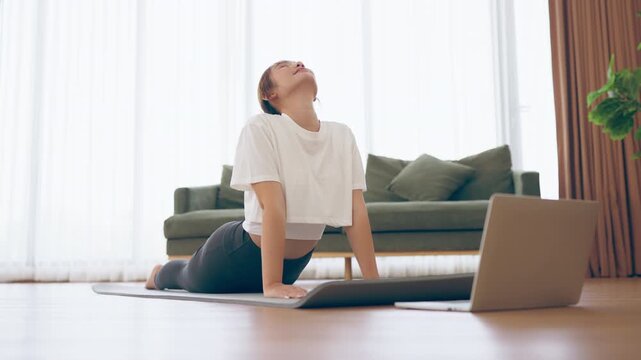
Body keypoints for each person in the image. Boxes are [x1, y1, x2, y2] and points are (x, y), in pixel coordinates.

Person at [145, 60, 380, 299]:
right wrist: (272, 284)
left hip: (292, 265)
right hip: (236, 253)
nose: (298, 63)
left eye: (298, 62)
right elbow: (273, 205)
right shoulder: (261, 127)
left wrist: (374, 284)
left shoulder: (341, 135)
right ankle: (158, 274)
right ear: (270, 94)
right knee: (185, 276)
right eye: (283, 66)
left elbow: (356, 211)